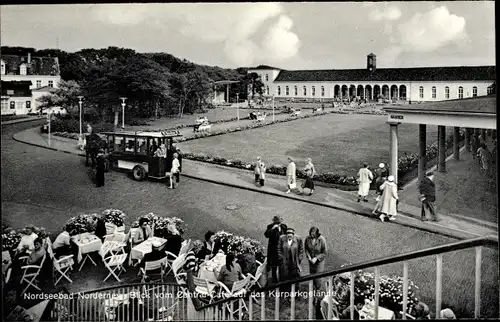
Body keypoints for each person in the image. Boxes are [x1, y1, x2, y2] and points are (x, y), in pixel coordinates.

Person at [264, 216, 287, 284]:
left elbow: (286, 235)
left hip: (281, 249)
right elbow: (266, 235)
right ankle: (274, 281)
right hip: (273, 249)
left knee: (281, 265)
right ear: (274, 222)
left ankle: (282, 280)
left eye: (279, 222)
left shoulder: (284, 227)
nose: (278, 223)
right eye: (276, 222)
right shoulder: (270, 226)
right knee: (274, 266)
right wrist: (272, 229)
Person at [304, 227, 327, 291]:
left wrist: (316, 258)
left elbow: (324, 253)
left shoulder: (322, 240)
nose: (312, 236)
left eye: (313, 234)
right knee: (312, 275)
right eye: (311, 234)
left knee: (318, 276)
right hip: (311, 261)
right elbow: (306, 249)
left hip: (319, 261)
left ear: (317, 234)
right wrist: (309, 257)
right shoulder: (307, 239)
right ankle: (313, 288)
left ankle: (318, 289)